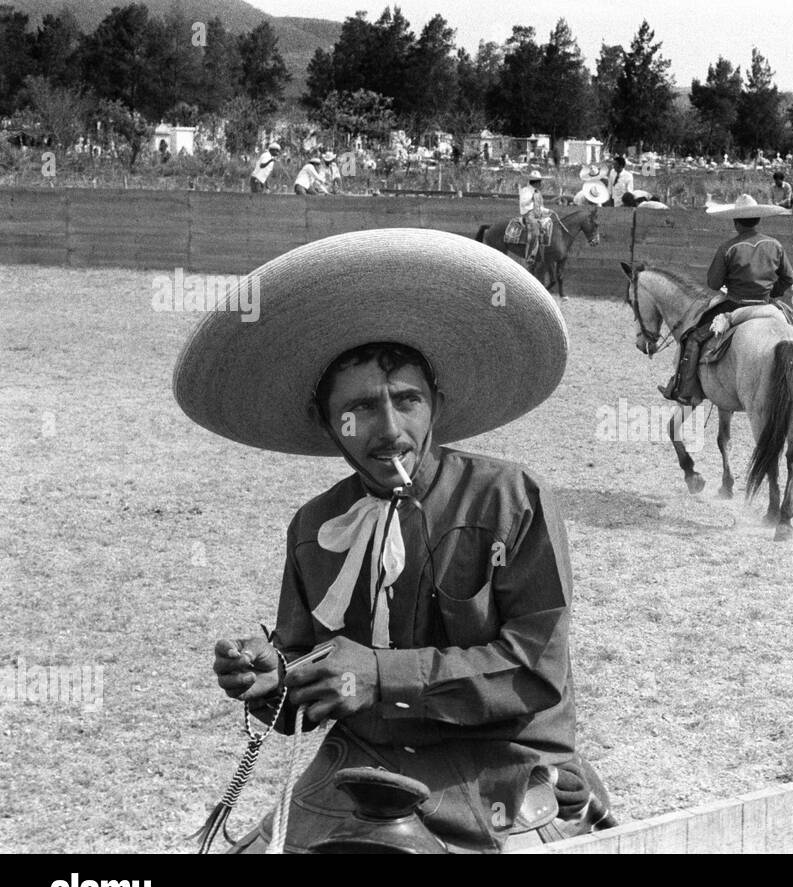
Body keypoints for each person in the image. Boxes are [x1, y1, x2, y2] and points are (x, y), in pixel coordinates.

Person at [177, 229, 614, 853]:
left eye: (406, 400)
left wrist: (380, 675)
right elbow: (306, 694)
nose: (390, 430)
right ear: (330, 425)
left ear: (437, 402)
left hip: (497, 773)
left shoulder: (510, 498)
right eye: (359, 410)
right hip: (359, 778)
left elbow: (533, 674)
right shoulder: (315, 528)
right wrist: (271, 678)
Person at [659, 194, 793, 405]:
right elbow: (789, 277)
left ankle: (686, 390)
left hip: (735, 305)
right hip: (765, 305)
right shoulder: (775, 245)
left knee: (693, 337)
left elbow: (713, 283)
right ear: (758, 220)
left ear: (735, 222)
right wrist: (772, 292)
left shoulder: (728, 248)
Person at [518, 169, 555, 265]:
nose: (541, 183)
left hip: (538, 214)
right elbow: (523, 203)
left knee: (549, 222)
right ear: (536, 182)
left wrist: (548, 211)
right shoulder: (526, 190)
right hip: (529, 214)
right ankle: (530, 256)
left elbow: (540, 207)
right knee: (535, 230)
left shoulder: (537, 192)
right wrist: (531, 198)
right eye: (539, 182)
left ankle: (543, 252)